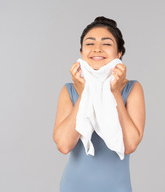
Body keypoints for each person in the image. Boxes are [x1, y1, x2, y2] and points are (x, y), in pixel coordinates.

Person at [53, 16, 146, 192]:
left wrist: (115, 93)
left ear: (119, 53)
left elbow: (130, 144)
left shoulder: (132, 89)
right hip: (73, 187)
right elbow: (64, 145)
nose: (97, 49)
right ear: (81, 52)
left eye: (107, 43)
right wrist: (84, 93)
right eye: (89, 43)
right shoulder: (69, 91)